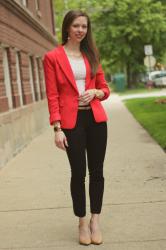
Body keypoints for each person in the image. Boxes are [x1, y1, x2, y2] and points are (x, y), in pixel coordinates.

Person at [43, 10, 110, 246]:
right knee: (78, 173)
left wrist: (96, 92)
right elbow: (52, 95)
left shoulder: (91, 55)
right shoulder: (52, 57)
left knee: (98, 172)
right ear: (67, 28)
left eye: (84, 26)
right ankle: (81, 221)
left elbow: (105, 89)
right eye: (76, 26)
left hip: (95, 119)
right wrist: (57, 128)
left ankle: (95, 221)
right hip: (71, 123)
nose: (81, 30)